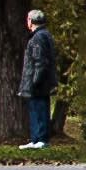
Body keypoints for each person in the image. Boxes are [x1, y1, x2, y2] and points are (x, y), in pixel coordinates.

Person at [17, 8, 62, 149]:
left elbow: (40, 61)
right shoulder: (44, 35)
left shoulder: (38, 38)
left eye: (28, 19)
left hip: (38, 81)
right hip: (41, 80)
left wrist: (35, 80)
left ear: (31, 21)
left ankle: (41, 139)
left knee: (39, 109)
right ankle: (36, 139)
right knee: (35, 109)